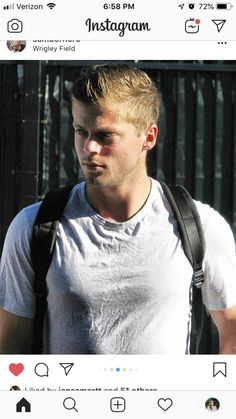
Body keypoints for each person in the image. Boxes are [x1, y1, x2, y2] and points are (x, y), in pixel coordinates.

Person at [0, 64, 236, 354]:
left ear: (148, 137)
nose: (89, 149)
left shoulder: (200, 227)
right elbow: (11, 345)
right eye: (80, 131)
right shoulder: (34, 226)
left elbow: (232, 327)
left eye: (105, 136)